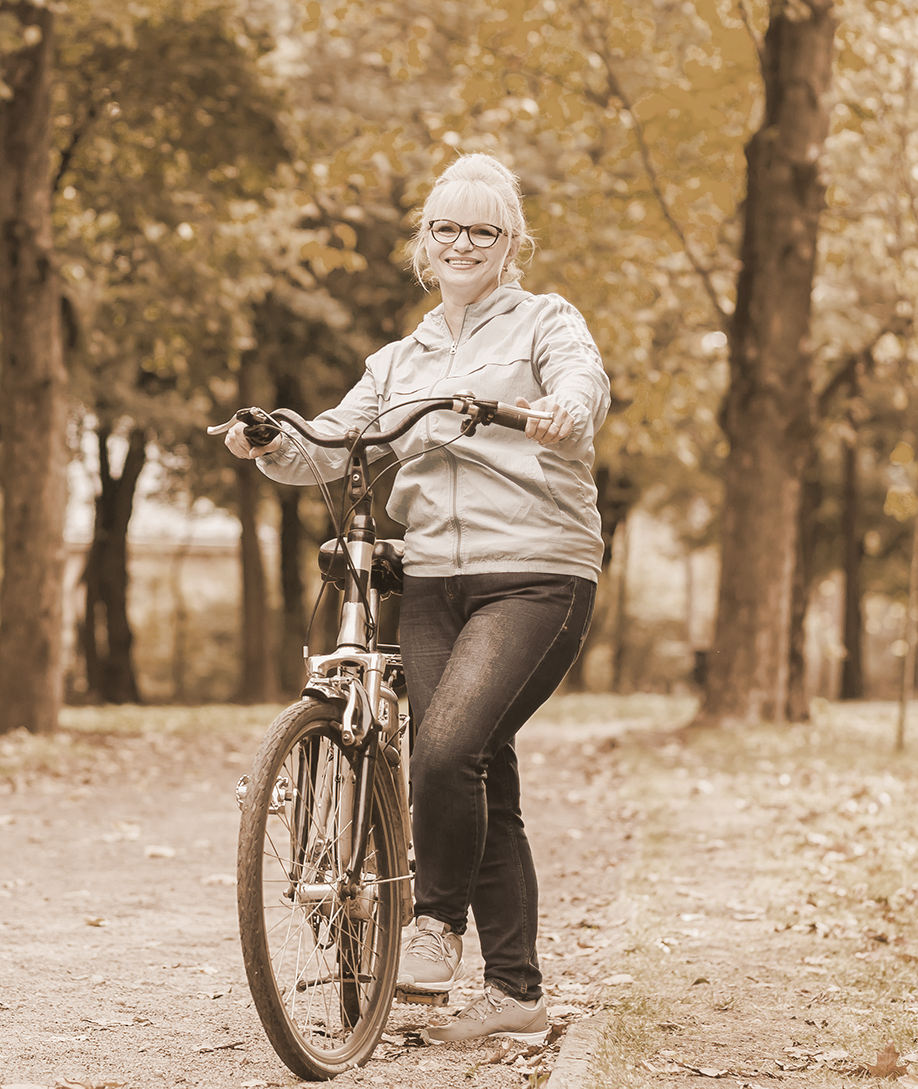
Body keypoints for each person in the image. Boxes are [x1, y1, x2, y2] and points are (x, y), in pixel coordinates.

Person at [224, 152, 610, 1046]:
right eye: (447, 228)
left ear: (511, 244)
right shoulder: (399, 360)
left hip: (538, 572)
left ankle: (432, 925)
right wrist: (271, 439)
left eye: (484, 229)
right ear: (424, 245)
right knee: (476, 769)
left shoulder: (547, 323)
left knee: (443, 749)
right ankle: (516, 994)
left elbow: (582, 384)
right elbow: (332, 440)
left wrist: (562, 409)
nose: (464, 243)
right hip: (432, 577)